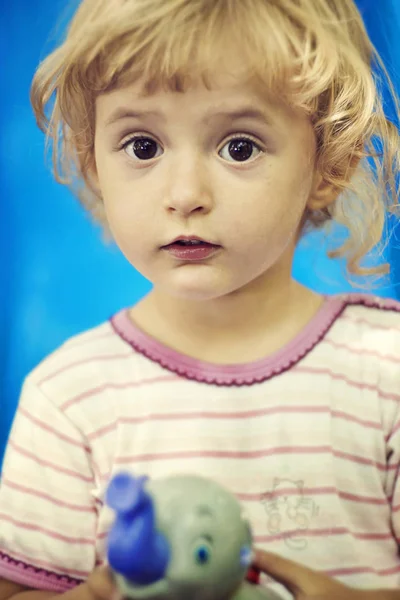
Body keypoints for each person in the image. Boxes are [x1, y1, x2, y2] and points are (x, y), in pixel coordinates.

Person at [0, 0, 400, 599]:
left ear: (328, 163)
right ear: (92, 161)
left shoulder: (386, 370)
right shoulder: (68, 397)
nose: (185, 194)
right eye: (142, 146)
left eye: (239, 147)